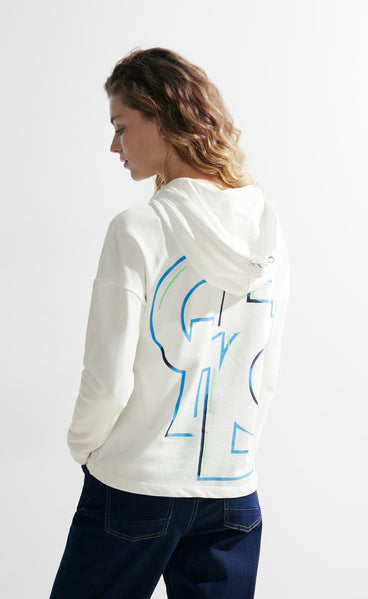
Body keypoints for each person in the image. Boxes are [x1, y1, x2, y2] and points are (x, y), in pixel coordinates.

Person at [49, 47, 289, 599]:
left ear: (162, 118)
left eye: (121, 127)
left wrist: (85, 449)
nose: (114, 146)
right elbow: (266, 374)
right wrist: (234, 459)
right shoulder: (268, 230)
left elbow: (108, 379)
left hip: (136, 483)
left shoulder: (137, 228)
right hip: (233, 492)